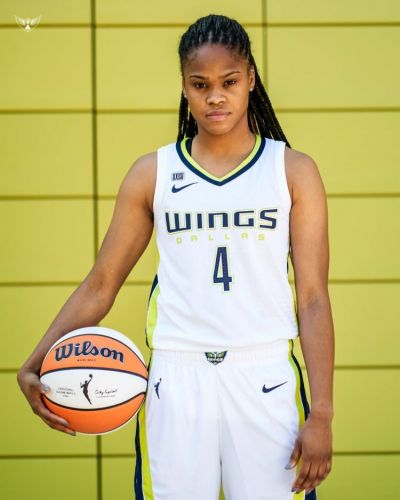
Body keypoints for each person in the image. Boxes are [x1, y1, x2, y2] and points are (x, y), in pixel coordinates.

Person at [17, 13, 334, 500]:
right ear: (184, 86)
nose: (215, 96)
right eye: (200, 84)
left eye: (229, 82)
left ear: (251, 78)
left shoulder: (292, 171)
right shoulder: (154, 173)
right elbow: (101, 283)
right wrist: (36, 360)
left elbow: (312, 298)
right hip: (176, 378)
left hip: (265, 374)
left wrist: (323, 413)